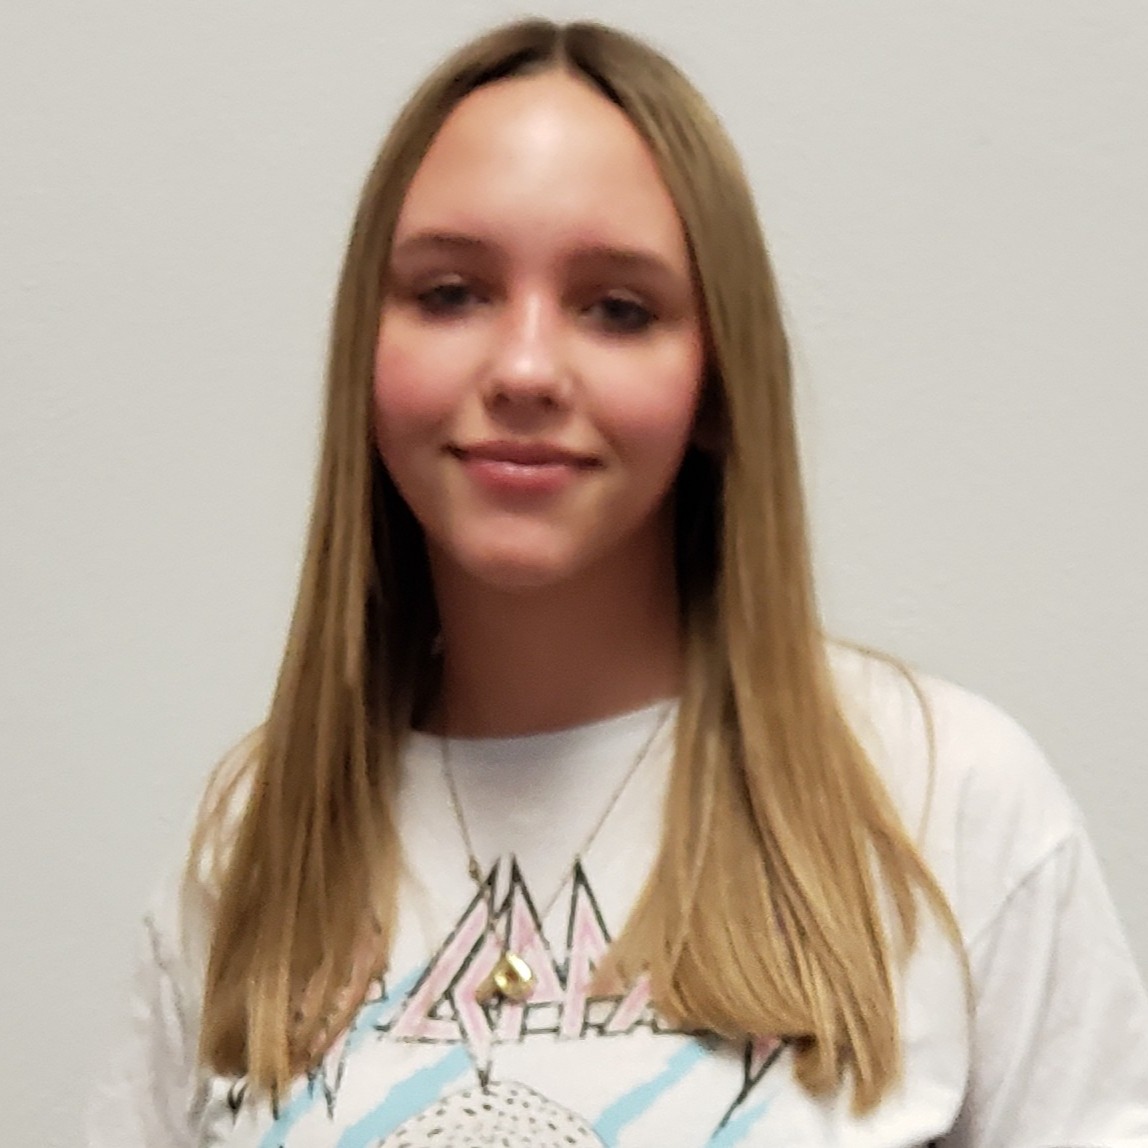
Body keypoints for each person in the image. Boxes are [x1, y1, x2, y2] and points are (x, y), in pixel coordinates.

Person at [88, 17, 1148, 1147]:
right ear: (366, 348)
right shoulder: (254, 835)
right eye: (450, 292)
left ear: (716, 380)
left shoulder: (942, 802)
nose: (527, 368)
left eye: (617, 307)